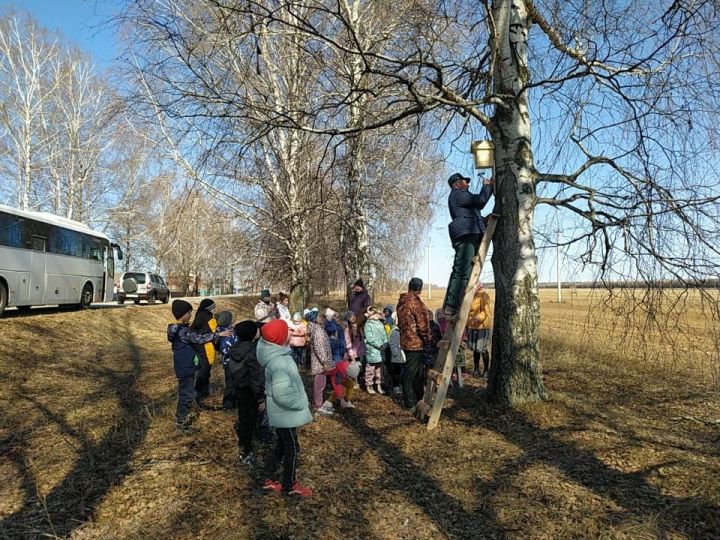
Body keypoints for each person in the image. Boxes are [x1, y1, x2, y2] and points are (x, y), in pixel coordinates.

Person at [256, 319, 313, 498]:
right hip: (285, 414)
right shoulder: (279, 362)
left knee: (282, 446)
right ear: (280, 338)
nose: (291, 332)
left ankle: (268, 478)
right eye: (287, 331)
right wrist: (302, 402)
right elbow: (282, 395)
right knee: (292, 449)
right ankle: (289, 485)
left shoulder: (279, 357)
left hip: (283, 415)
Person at [167, 300, 231, 434]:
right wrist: (218, 334)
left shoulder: (178, 329)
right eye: (189, 313)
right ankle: (181, 424)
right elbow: (199, 338)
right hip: (185, 367)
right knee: (186, 394)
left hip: (184, 365)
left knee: (187, 392)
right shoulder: (183, 331)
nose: (191, 315)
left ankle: (183, 419)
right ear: (183, 314)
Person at [442, 172, 494, 321]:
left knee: (462, 270)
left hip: (468, 232)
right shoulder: (459, 194)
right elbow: (480, 201)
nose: (468, 184)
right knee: (462, 272)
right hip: (466, 233)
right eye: (465, 181)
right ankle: (452, 306)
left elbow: (474, 211)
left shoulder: (460, 197)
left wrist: (483, 221)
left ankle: (451, 304)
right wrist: (487, 187)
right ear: (457, 184)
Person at [229, 320, 265, 466]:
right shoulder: (253, 352)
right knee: (249, 420)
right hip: (250, 391)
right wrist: (261, 398)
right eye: (255, 330)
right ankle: (247, 451)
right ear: (251, 334)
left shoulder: (235, 348)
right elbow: (256, 377)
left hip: (239, 388)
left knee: (244, 418)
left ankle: (246, 445)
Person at [396, 278, 432, 410]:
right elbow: (423, 327)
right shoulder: (416, 304)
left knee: (417, 373)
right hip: (416, 343)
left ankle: (418, 397)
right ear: (420, 289)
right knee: (411, 373)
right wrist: (429, 338)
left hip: (405, 341)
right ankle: (409, 403)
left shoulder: (401, 303)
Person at [306, 309, 335, 415]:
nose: (322, 318)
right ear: (315, 319)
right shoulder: (318, 331)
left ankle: (319, 404)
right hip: (320, 363)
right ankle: (318, 406)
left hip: (321, 362)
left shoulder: (318, 329)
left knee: (321, 384)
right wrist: (324, 362)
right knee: (319, 385)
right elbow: (320, 348)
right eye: (319, 316)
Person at [191, 298, 218, 406]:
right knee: (205, 370)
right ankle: (200, 392)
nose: (214, 310)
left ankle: (201, 391)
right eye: (213, 308)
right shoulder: (209, 319)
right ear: (209, 309)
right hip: (206, 348)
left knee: (201, 369)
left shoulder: (198, 316)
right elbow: (215, 332)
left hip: (197, 347)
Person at [467, 282, 492, 378]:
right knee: (475, 349)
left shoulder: (484, 296)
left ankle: (486, 370)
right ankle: (476, 369)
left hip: (482, 326)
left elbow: (486, 312)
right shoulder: (472, 296)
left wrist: (478, 318)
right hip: (473, 326)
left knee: (482, 349)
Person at [216, 310, 238, 410]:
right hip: (231, 361)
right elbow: (226, 348)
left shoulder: (219, 330)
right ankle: (228, 404)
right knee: (231, 383)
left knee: (231, 382)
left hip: (227, 361)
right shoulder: (227, 333)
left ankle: (232, 403)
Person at [363, 306, 388, 395]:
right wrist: (379, 345)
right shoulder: (368, 325)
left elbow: (384, 334)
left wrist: (385, 343)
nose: (378, 315)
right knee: (370, 369)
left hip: (381, 350)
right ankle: (369, 385)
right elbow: (369, 338)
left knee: (379, 370)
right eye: (376, 313)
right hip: (373, 350)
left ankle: (378, 385)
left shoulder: (380, 323)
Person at [387, 317, 405, 398]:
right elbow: (392, 342)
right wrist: (395, 353)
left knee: (403, 371)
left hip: (404, 355)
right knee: (396, 372)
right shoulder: (394, 331)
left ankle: (402, 384)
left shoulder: (404, 330)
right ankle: (396, 386)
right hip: (397, 355)